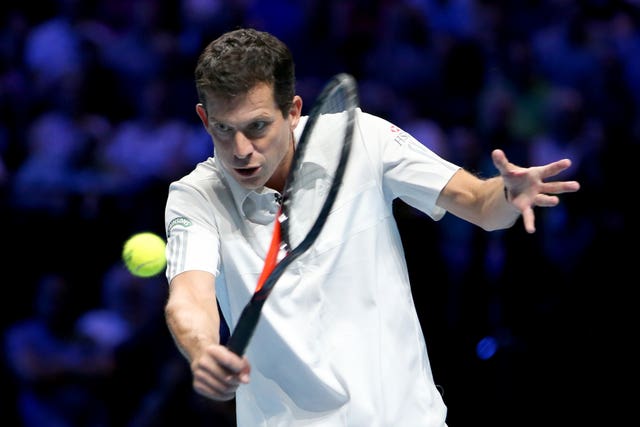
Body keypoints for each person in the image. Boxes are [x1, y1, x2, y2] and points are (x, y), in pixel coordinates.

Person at [163, 28, 580, 426]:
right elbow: (189, 296)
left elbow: (478, 204)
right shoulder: (195, 196)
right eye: (223, 129)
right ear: (204, 118)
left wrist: (506, 194)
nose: (240, 151)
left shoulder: (361, 137)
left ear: (292, 111)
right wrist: (203, 351)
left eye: (257, 127)